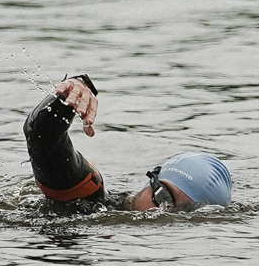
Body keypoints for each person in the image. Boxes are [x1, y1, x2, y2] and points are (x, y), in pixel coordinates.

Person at [23, 76, 233, 213]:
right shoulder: (90, 201)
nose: (162, 212)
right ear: (152, 180)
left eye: (183, 212)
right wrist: (67, 99)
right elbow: (41, 137)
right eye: (163, 197)